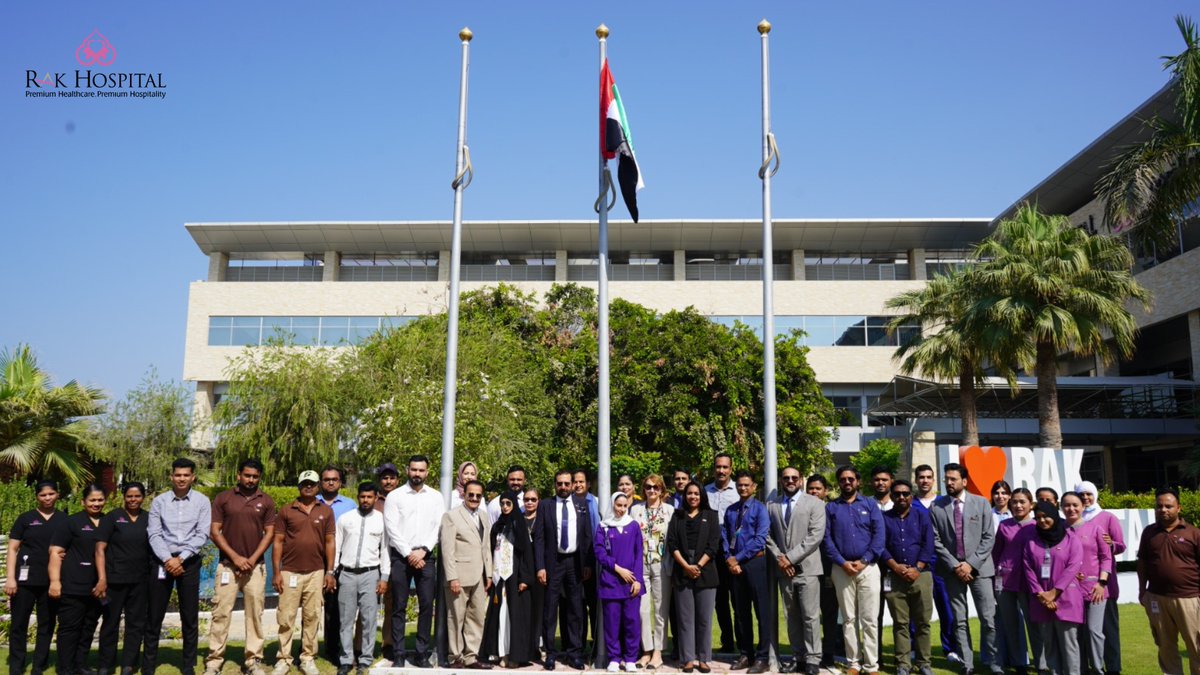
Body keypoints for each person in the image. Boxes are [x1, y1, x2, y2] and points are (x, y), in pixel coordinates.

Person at [927, 462, 1000, 675]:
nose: (949, 483)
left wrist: (971, 564)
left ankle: (994, 662)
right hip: (952, 572)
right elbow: (936, 540)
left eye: (953, 479)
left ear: (964, 481)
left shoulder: (981, 503)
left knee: (988, 619)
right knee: (959, 620)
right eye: (946, 479)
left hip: (980, 570)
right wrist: (956, 566)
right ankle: (967, 664)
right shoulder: (936, 507)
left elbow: (988, 537)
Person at [207, 459, 276, 675]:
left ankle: (252, 661)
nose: (251, 480)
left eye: (255, 476)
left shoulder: (266, 501)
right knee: (220, 614)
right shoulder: (223, 498)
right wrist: (236, 558)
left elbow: (269, 533)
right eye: (247, 475)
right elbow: (215, 531)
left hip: (255, 568)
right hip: (228, 566)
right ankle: (214, 661)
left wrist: (251, 560)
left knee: (254, 615)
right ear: (239, 475)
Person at [146, 458, 211, 675]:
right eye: (178, 475)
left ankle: (188, 665)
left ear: (193, 477)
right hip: (162, 561)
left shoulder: (202, 501)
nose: (181, 478)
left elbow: (202, 534)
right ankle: (148, 665)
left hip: (189, 562)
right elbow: (154, 533)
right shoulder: (159, 502)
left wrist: (181, 558)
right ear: (171, 476)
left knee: (189, 616)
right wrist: (168, 559)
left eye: (186, 475)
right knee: (154, 614)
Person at [272, 470, 337, 675]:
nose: (308, 487)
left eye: (312, 484)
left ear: (318, 487)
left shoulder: (326, 511)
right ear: (299, 486)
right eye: (305, 483)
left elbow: (330, 542)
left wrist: (330, 571)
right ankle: (283, 658)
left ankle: (308, 658)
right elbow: (278, 542)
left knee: (312, 616)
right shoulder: (286, 510)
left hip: (316, 572)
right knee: (286, 617)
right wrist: (277, 572)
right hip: (290, 571)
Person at [383, 454, 445, 668]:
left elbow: (438, 526)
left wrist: (424, 550)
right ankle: (399, 653)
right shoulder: (395, 496)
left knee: (426, 605)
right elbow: (391, 527)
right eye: (414, 469)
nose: (417, 473)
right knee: (399, 606)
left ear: (427, 472)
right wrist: (409, 553)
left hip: (426, 558)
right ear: (407, 470)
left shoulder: (436, 497)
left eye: (421, 470)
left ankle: (421, 653)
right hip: (401, 557)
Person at [823, 465, 884, 675]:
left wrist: (864, 560)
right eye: (843, 479)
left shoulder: (870, 505)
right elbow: (827, 540)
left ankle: (871, 665)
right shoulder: (831, 508)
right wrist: (843, 563)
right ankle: (853, 664)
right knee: (849, 619)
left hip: (868, 568)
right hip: (841, 569)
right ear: (839, 482)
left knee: (870, 619)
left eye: (851, 479)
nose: (847, 482)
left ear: (858, 481)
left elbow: (879, 536)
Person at [766, 467, 826, 675]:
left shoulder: (815, 503)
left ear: (801, 480)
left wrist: (789, 558)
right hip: (784, 571)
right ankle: (798, 657)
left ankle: (813, 659)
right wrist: (780, 559)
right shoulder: (772, 505)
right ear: (781, 481)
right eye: (786, 478)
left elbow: (815, 536)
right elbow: (767, 535)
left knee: (810, 616)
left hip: (808, 569)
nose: (790, 481)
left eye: (794, 477)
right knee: (791, 616)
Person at [1136, 487, 1200, 675]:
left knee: (1196, 646)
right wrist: (1142, 591)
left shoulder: (1194, 533)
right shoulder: (1149, 532)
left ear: (1178, 508)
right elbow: (1143, 562)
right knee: (1165, 646)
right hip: (1157, 598)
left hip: (1189, 599)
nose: (1163, 509)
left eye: (1168, 506)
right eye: (1159, 506)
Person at [5, 480, 65, 675]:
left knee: (46, 625)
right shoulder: (25, 519)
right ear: (37, 497)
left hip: (51, 582)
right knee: (18, 625)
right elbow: (12, 549)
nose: (47, 498)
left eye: (51, 494)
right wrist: (10, 578)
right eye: (43, 495)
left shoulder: (64, 520)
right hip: (25, 581)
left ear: (57, 494)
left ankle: (39, 666)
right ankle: (16, 666)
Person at [537, 469, 594, 670]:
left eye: (566, 483)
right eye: (559, 483)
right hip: (553, 563)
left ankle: (574, 653)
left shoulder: (581, 504)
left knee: (575, 609)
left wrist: (587, 564)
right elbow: (540, 538)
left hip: (575, 563)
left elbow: (587, 536)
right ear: (555, 484)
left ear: (571, 485)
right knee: (550, 609)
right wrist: (541, 566)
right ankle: (551, 653)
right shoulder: (546, 505)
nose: (563, 487)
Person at [48, 484, 106, 675]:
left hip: (98, 586)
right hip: (73, 584)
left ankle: (80, 665)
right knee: (70, 628)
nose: (96, 503)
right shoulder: (71, 522)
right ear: (83, 502)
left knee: (88, 626)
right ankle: (65, 668)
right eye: (92, 500)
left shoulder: (108, 522)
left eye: (100, 500)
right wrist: (55, 581)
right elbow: (55, 552)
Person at [95, 482, 151, 675]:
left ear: (143, 497)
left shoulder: (149, 518)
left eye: (137, 496)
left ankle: (129, 664)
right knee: (110, 622)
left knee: (136, 624)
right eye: (129, 496)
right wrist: (102, 578)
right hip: (115, 580)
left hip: (140, 581)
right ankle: (105, 664)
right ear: (124, 497)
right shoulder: (112, 518)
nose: (133, 499)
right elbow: (99, 549)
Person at [880, 479, 935, 675]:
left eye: (905, 493)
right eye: (897, 494)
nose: (901, 497)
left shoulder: (922, 516)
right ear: (891, 496)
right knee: (900, 623)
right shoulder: (884, 518)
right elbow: (880, 546)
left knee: (922, 622)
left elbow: (928, 544)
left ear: (911, 496)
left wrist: (917, 568)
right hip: (894, 576)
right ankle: (903, 663)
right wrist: (895, 566)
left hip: (921, 575)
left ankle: (924, 663)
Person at [1023, 501, 1084, 675]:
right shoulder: (1032, 541)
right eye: (1038, 517)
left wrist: (1054, 593)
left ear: (1055, 516)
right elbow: (1028, 569)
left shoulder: (1071, 539)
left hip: (1066, 598)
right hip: (1041, 601)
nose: (1042, 520)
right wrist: (1041, 595)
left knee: (1069, 645)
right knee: (1049, 645)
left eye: (1046, 516)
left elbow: (1073, 567)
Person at [335, 482, 390, 675]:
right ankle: (346, 660)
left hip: (370, 574)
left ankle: (365, 659)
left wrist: (384, 577)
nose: (365, 500)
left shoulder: (382, 520)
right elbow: (337, 547)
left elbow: (385, 550)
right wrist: (332, 572)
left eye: (369, 497)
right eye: (362, 497)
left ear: (375, 498)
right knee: (346, 620)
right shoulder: (345, 519)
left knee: (369, 619)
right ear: (358, 497)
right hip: (347, 574)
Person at [667, 481, 722, 674]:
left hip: (705, 571)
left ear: (702, 496)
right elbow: (672, 543)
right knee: (685, 619)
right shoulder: (677, 515)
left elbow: (714, 545)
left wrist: (697, 566)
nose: (693, 497)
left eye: (696, 494)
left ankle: (704, 658)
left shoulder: (711, 515)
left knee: (704, 619)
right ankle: (688, 659)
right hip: (682, 570)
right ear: (685, 496)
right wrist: (686, 566)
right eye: (689, 493)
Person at [1075, 480, 1126, 675]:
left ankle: (1113, 668)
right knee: (1084, 629)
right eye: (1081, 495)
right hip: (1079, 585)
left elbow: (1121, 545)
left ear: (1095, 495)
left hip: (1105, 584)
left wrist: (1110, 544)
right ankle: (1090, 666)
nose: (1085, 498)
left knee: (1108, 628)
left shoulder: (1107, 517)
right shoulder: (1072, 519)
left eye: (1088, 494)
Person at [481, 490, 537, 668]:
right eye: (502, 504)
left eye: (508, 504)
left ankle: (514, 655)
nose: (505, 507)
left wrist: (525, 579)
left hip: (515, 579)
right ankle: (500, 652)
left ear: (514, 505)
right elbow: (491, 551)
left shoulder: (520, 526)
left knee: (513, 617)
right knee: (499, 616)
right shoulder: (497, 527)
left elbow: (527, 555)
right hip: (499, 579)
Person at [442, 479, 494, 669]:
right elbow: (447, 550)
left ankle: (471, 657)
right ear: (464, 494)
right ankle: (455, 657)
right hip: (459, 576)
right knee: (456, 618)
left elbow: (486, 546)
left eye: (478, 495)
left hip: (480, 577)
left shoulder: (483, 516)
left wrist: (489, 574)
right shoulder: (451, 516)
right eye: (471, 494)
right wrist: (452, 577)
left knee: (477, 617)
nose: (474, 498)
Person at [913, 464, 961, 665]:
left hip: (941, 563)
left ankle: (950, 649)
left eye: (928, 477)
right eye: (921, 477)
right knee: (917, 610)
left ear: (934, 480)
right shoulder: (910, 503)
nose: (925, 480)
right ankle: (915, 649)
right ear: (916, 480)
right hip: (918, 564)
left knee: (947, 609)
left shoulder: (944, 503)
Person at [723, 472, 771, 673]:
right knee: (741, 612)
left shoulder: (760, 509)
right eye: (740, 485)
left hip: (755, 563)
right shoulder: (731, 510)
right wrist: (729, 559)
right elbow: (725, 536)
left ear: (754, 486)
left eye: (746, 485)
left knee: (761, 612)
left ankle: (763, 658)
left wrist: (739, 558)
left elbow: (760, 539)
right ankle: (746, 654)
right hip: (734, 567)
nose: (742, 488)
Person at [1061, 491, 1112, 675]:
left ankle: (1098, 669)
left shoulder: (1095, 529)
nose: (1071, 508)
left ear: (1083, 507)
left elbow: (1106, 558)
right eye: (1067, 505)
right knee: (1075, 633)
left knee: (1093, 630)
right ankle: (1080, 669)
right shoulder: (1059, 532)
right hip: (1069, 590)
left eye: (1075, 505)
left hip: (1095, 589)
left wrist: (1102, 583)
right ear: (1061, 508)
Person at [993, 488, 1040, 675]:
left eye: (1022, 502)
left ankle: (1041, 664)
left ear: (1031, 504)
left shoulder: (1037, 526)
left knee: (1034, 624)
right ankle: (1019, 663)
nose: (1018, 505)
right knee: (1011, 624)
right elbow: (996, 553)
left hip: (1030, 583)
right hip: (1006, 581)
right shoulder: (1004, 526)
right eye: (1014, 502)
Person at [596, 492, 645, 672]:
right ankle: (614, 659)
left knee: (632, 622)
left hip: (631, 584)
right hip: (610, 583)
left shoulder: (633, 526)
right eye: (618, 505)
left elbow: (639, 554)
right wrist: (618, 569)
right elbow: (600, 553)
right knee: (612, 623)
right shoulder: (603, 527)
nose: (622, 509)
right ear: (612, 505)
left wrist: (637, 581)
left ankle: (631, 658)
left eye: (625, 505)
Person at [630, 474, 674, 669]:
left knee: (660, 609)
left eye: (656, 487)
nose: (652, 490)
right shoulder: (636, 510)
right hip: (641, 565)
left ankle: (658, 652)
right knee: (642, 610)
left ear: (662, 490)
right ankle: (646, 650)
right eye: (648, 487)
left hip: (662, 564)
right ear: (644, 489)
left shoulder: (669, 510)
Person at [806, 474, 845, 669]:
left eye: (818, 489)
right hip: (806, 570)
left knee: (829, 614)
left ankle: (829, 652)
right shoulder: (802, 510)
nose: (814, 492)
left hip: (828, 569)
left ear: (825, 491)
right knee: (808, 614)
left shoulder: (831, 510)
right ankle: (808, 652)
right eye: (811, 488)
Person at [317, 465, 354, 664]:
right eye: (326, 479)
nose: (330, 482)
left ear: (340, 482)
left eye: (334, 479)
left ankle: (332, 649)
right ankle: (306, 648)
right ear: (320, 482)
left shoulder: (350, 505)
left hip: (340, 562)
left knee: (335, 609)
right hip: (315, 561)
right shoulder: (312, 502)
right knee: (311, 608)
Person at [704, 453, 738, 654]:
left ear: (731, 469)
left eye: (725, 467)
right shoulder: (705, 491)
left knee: (738, 599)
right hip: (711, 552)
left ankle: (743, 644)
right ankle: (727, 643)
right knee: (719, 599)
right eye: (718, 467)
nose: (721, 470)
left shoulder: (738, 491)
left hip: (733, 552)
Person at [373, 463, 401, 662]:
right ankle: (360, 647)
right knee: (367, 605)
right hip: (373, 558)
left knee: (392, 603)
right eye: (385, 478)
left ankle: (388, 643)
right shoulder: (372, 500)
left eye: (392, 478)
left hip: (395, 557)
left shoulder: (402, 498)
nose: (388, 481)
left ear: (397, 480)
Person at [522, 488, 546, 663]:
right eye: (526, 499)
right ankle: (525, 647)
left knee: (539, 610)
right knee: (525, 611)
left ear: (539, 501)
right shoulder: (518, 519)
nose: (529, 502)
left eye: (533, 499)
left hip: (540, 570)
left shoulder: (543, 519)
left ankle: (537, 645)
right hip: (523, 571)